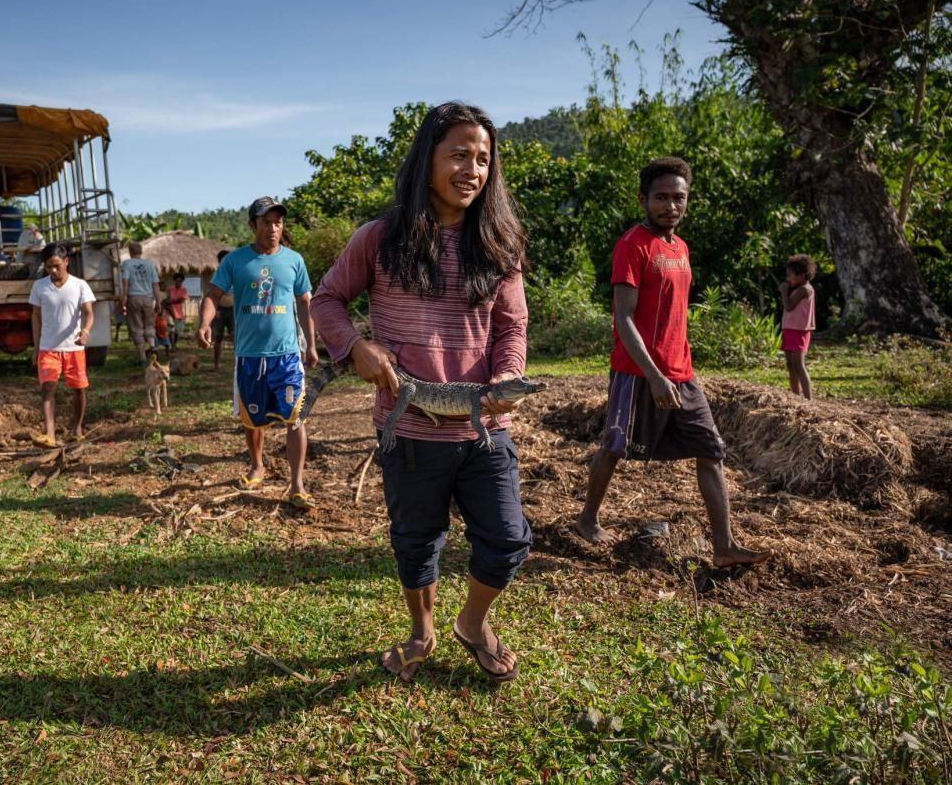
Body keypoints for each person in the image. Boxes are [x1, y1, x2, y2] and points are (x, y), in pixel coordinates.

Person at [312, 103, 531, 683]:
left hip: (485, 429)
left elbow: (511, 326)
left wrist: (507, 379)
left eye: (483, 159)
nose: (472, 169)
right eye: (458, 154)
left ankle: (472, 622)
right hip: (409, 431)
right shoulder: (380, 239)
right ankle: (421, 632)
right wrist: (357, 348)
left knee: (508, 540)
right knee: (416, 542)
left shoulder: (501, 244)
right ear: (427, 160)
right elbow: (325, 301)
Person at [571, 157, 770, 570]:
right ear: (644, 199)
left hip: (682, 373)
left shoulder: (680, 248)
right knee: (614, 447)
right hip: (636, 371)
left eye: (679, 198)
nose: (670, 206)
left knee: (711, 449)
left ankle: (724, 546)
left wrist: (673, 371)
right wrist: (653, 374)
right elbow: (623, 319)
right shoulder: (632, 245)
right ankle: (587, 520)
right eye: (661, 197)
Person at [198, 196, 319, 508]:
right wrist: (204, 324)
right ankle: (257, 466)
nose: (273, 227)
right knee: (253, 420)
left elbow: (305, 303)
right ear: (253, 225)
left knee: (296, 418)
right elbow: (213, 295)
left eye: (278, 222)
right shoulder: (236, 261)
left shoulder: (294, 260)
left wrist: (312, 344)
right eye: (266, 222)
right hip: (250, 357)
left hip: (288, 355)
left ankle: (297, 484)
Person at [29, 244, 96, 448]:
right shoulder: (39, 287)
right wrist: (36, 347)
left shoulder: (80, 285)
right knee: (48, 388)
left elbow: (89, 313)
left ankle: (77, 429)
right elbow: (36, 316)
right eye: (49, 267)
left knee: (79, 390)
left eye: (57, 265)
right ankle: (49, 434)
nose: (53, 271)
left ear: (66, 262)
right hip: (48, 348)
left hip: (74, 349)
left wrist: (85, 332)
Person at [780, 254, 816, 399]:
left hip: (799, 331)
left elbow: (788, 306)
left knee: (799, 365)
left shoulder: (804, 289)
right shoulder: (798, 288)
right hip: (789, 329)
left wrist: (783, 291)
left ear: (801, 276)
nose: (788, 279)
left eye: (790, 275)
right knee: (790, 365)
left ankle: (808, 399)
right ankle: (795, 397)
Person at [119, 241, 162, 364]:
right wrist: (158, 301)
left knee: (136, 327)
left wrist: (124, 298)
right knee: (149, 324)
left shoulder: (127, 264)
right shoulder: (150, 265)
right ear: (141, 251)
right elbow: (155, 285)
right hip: (148, 298)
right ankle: (153, 346)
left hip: (134, 297)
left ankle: (142, 357)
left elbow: (125, 282)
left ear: (130, 252)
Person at [211, 249, 236, 370]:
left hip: (234, 311)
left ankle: (238, 363)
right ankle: (216, 364)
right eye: (224, 260)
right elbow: (212, 295)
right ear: (220, 262)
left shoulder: (237, 274)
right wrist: (214, 310)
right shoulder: (216, 275)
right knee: (218, 338)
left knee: (236, 337)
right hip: (220, 310)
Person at [165, 272, 189, 350]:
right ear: (174, 280)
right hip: (170, 311)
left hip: (179, 313)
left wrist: (171, 301)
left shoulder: (184, 290)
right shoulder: (170, 289)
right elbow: (166, 300)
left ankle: (174, 344)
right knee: (171, 329)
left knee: (177, 331)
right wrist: (171, 302)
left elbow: (181, 300)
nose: (178, 282)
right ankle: (172, 345)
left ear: (182, 281)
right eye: (177, 280)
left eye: (180, 281)